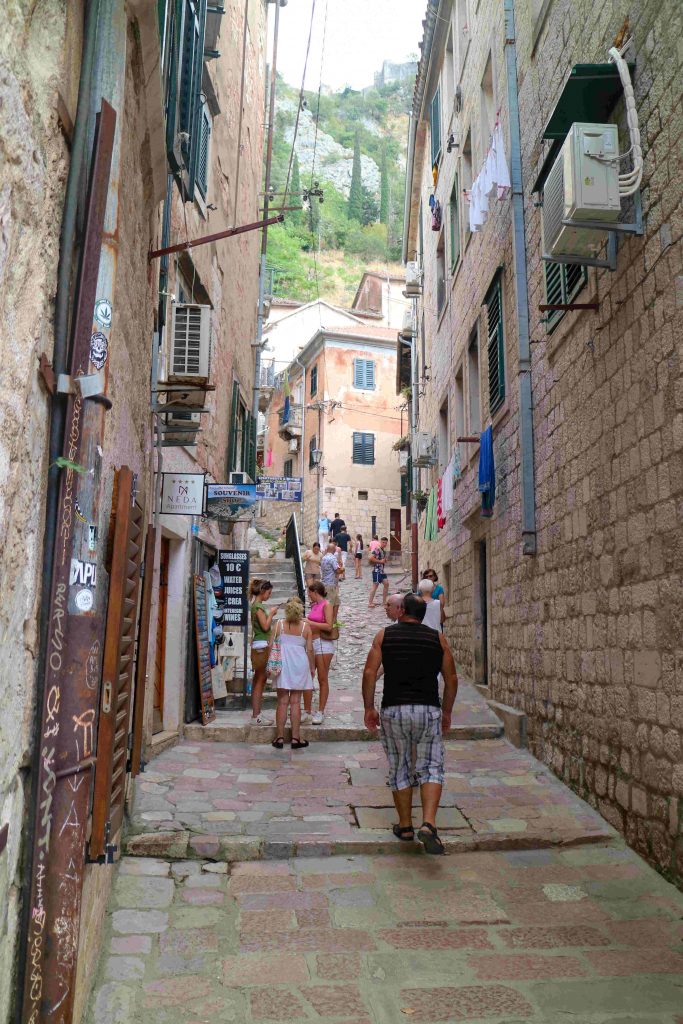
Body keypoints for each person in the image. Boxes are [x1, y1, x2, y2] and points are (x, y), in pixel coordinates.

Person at [362, 593, 458, 854]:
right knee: (432, 767)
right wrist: (447, 711)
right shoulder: (437, 638)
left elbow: (370, 672)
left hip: (394, 709)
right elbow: (451, 678)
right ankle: (428, 824)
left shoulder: (384, 635)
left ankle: (405, 825)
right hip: (428, 708)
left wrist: (369, 707)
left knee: (399, 765)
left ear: (401, 610)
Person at [269, 597, 315, 750]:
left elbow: (271, 645)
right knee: (296, 701)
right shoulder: (306, 628)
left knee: (282, 701)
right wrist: (312, 668)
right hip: (300, 665)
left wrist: (270, 664)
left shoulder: (279, 625)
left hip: (283, 664)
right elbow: (309, 650)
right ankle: (296, 738)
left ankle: (279, 737)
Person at [304, 581, 335, 725]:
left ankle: (321, 711)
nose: (308, 595)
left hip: (323, 644)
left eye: (309, 592)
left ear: (315, 592)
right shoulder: (314, 605)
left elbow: (329, 626)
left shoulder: (326, 605)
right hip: (312, 643)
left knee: (322, 678)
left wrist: (310, 623)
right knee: (308, 676)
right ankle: (307, 710)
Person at [249, 580, 278, 725]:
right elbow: (265, 627)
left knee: (258, 680)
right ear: (262, 591)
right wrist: (272, 614)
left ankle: (257, 714)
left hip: (258, 643)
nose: (269, 595)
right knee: (260, 680)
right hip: (261, 644)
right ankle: (256, 715)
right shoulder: (258, 607)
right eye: (269, 593)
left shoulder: (255, 606)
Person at [319, 540, 342, 618]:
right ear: (334, 550)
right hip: (330, 584)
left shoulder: (323, 558)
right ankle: (329, 620)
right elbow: (337, 570)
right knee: (330, 604)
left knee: (337, 603)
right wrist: (343, 569)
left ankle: (334, 620)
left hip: (325, 582)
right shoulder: (332, 558)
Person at [368, 536, 389, 608]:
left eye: (386, 543)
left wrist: (384, 561)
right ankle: (370, 603)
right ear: (380, 542)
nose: (384, 544)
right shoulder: (377, 549)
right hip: (377, 570)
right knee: (375, 586)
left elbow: (381, 559)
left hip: (382, 571)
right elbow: (371, 558)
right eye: (383, 542)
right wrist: (380, 561)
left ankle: (384, 602)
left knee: (386, 584)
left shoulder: (383, 551)